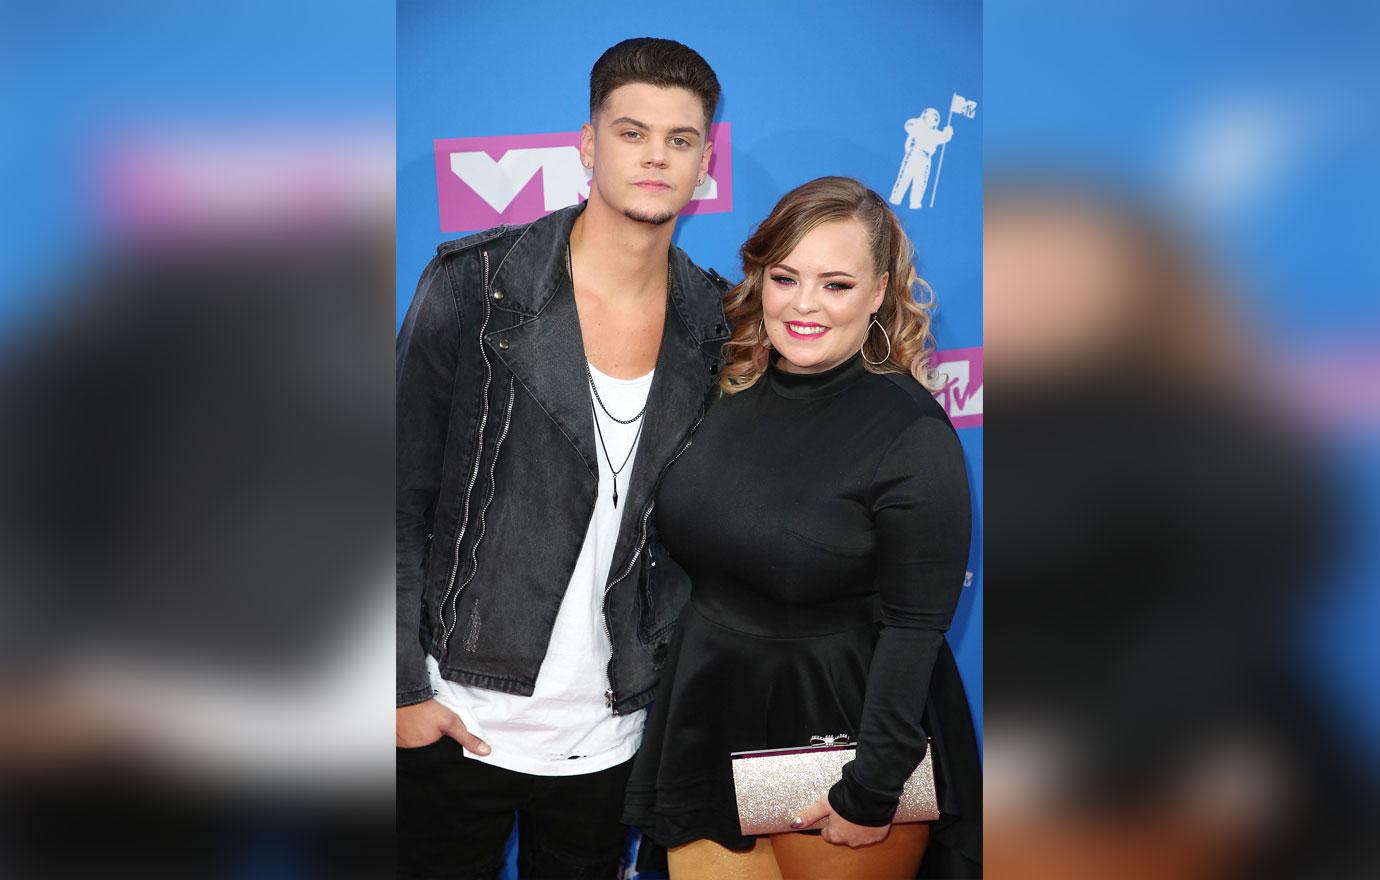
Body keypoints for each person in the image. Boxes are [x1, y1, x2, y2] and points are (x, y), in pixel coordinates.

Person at [395, 38, 731, 879]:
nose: (656, 154)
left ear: (704, 163)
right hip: (456, 717)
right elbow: (392, 495)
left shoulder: (718, 320)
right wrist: (400, 692)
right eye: (631, 131)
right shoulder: (477, 284)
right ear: (588, 147)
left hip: (614, 739)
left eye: (680, 139)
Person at [624, 176, 982, 879]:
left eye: (837, 284)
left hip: (838, 742)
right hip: (709, 717)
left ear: (879, 291)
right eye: (785, 277)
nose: (805, 304)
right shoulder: (727, 389)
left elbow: (915, 633)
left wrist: (872, 787)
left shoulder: (910, 434)